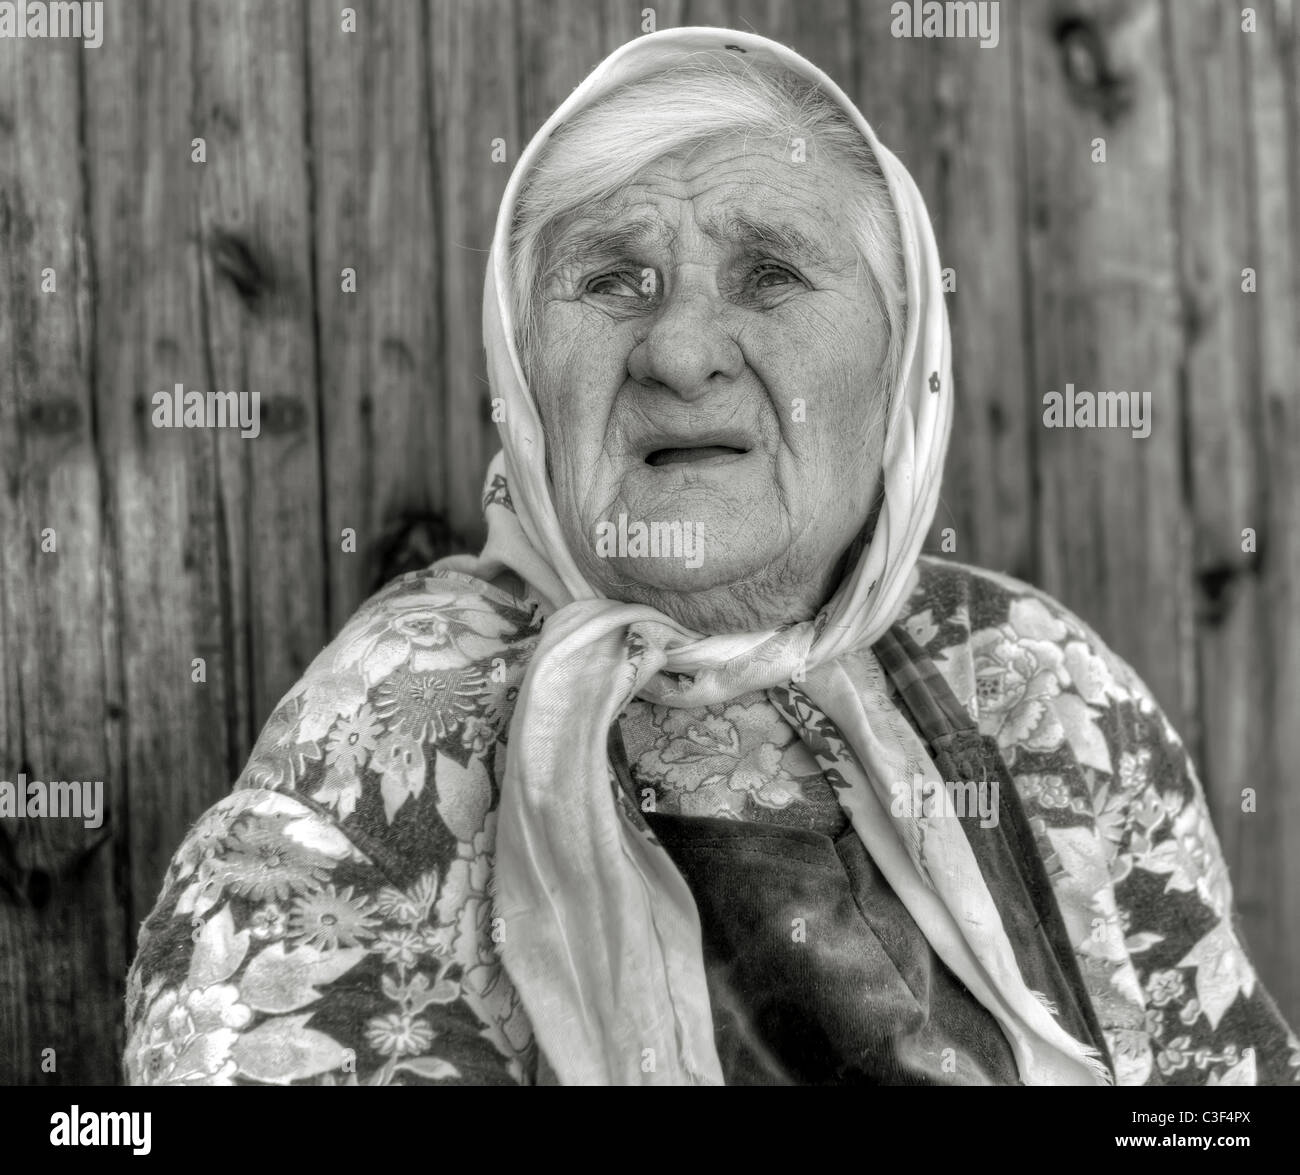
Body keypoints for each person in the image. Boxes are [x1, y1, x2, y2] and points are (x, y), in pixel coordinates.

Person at [124, 26, 1298, 1086]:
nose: (680, 350)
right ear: (522, 369)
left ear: (901, 366)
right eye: (609, 282)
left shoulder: (1042, 681)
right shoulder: (396, 731)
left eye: (771, 273)